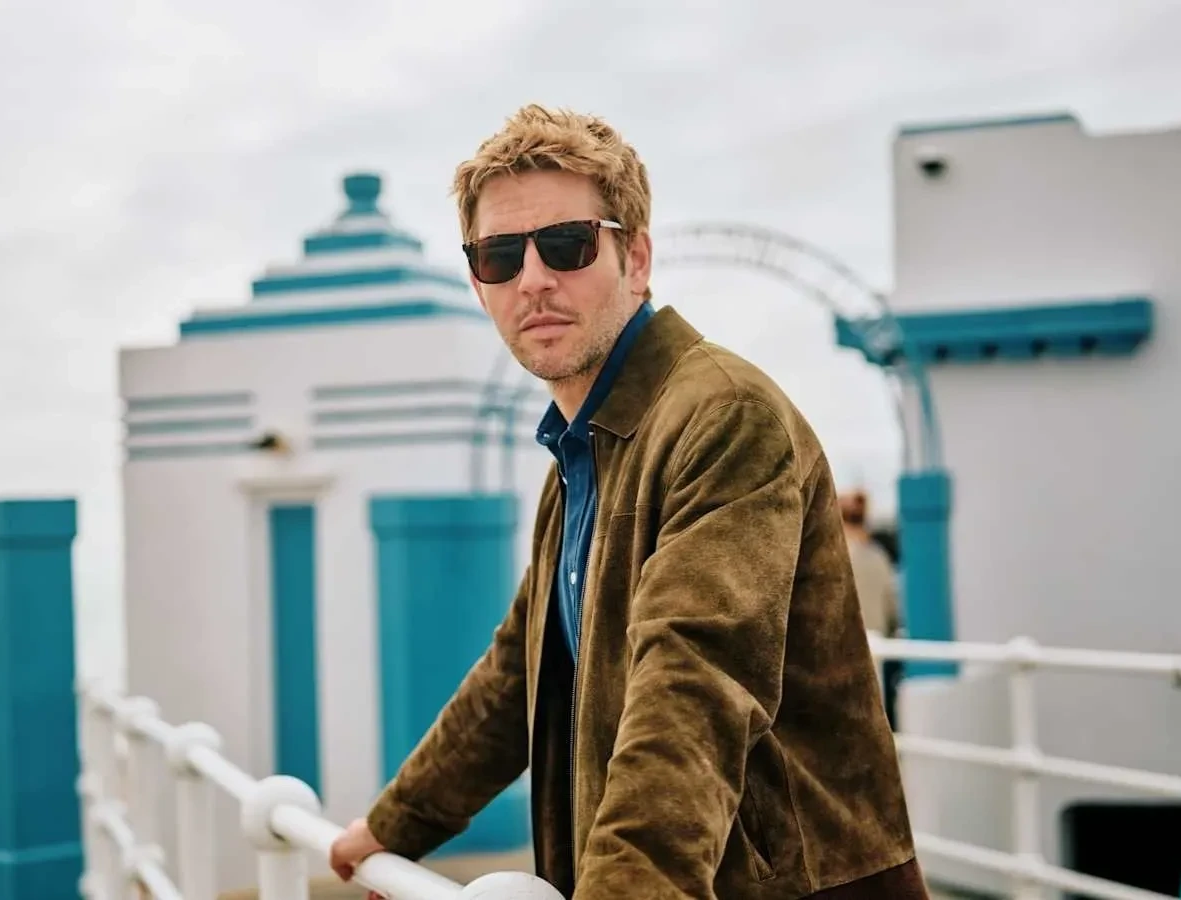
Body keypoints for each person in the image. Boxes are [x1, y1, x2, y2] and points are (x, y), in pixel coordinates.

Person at [329, 103, 925, 899]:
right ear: (479, 284)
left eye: (567, 246)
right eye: (500, 256)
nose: (533, 278)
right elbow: (519, 672)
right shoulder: (582, 450)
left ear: (635, 260)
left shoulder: (724, 417)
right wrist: (393, 828)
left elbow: (694, 685)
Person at [840, 489, 904, 730]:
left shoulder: (828, 557)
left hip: (840, 654)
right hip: (875, 655)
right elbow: (892, 611)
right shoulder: (879, 557)